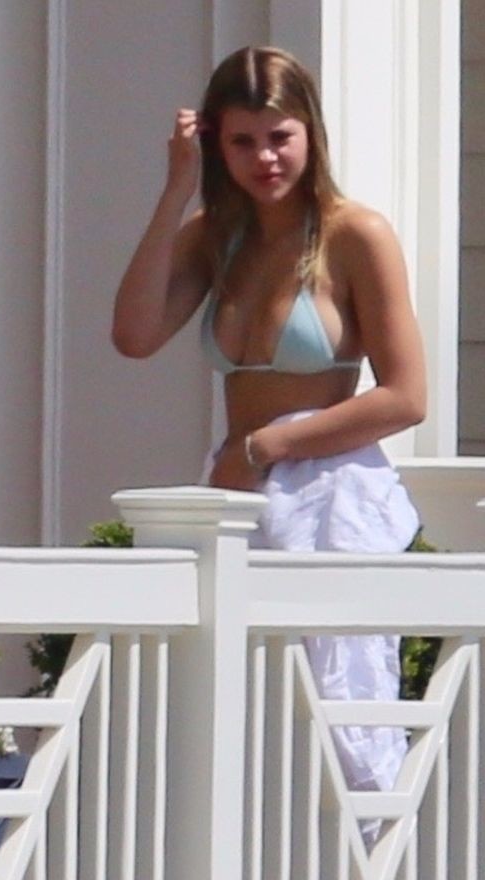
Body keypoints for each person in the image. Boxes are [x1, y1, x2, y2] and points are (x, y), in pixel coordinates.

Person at [111, 45, 426, 797]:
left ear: (310, 131)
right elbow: (134, 334)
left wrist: (265, 446)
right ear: (216, 145)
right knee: (230, 709)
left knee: (343, 708)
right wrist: (176, 189)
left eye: (280, 136)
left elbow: (406, 396)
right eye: (242, 141)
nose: (265, 158)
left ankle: (367, 854)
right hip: (238, 492)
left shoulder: (355, 234)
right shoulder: (216, 235)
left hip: (331, 491)